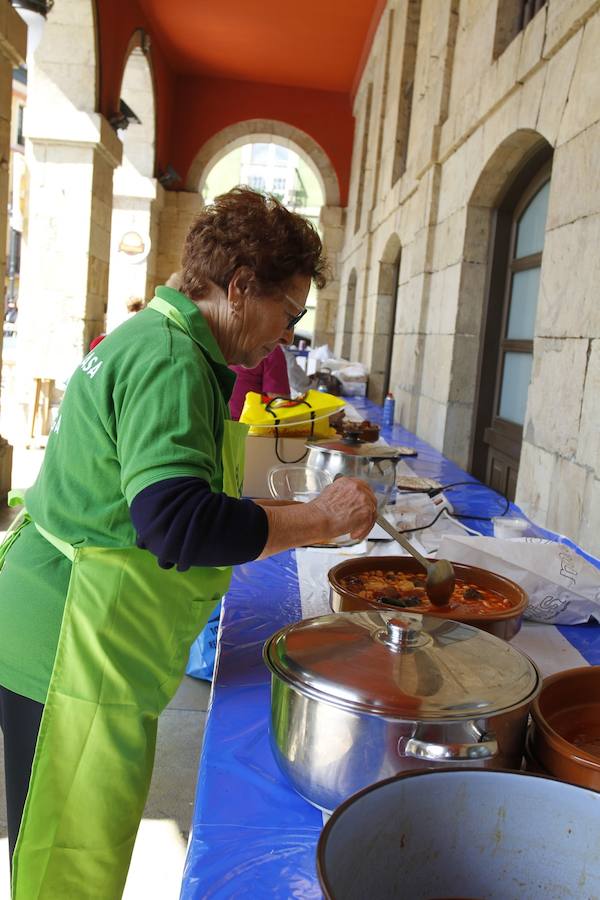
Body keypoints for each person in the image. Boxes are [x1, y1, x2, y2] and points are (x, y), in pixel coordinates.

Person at [0, 186, 377, 898]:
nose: (287, 334)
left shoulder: (165, 341)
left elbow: (189, 495)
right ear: (240, 288)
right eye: (288, 312)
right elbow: (179, 523)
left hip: (79, 634)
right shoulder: (171, 358)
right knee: (63, 866)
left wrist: (279, 511)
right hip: (67, 648)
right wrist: (320, 520)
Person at [229, 344, 291, 419]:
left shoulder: (228, 342)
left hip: (221, 421)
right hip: (250, 425)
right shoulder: (271, 349)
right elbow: (280, 405)